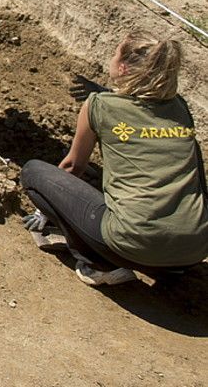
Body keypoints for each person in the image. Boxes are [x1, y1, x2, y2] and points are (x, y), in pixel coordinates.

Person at [21, 33, 208, 286]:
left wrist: (43, 211)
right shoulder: (181, 108)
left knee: (34, 172)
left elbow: (73, 167)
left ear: (123, 67)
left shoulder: (98, 105)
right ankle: (170, 265)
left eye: (115, 53)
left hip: (131, 243)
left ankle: (100, 265)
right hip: (195, 249)